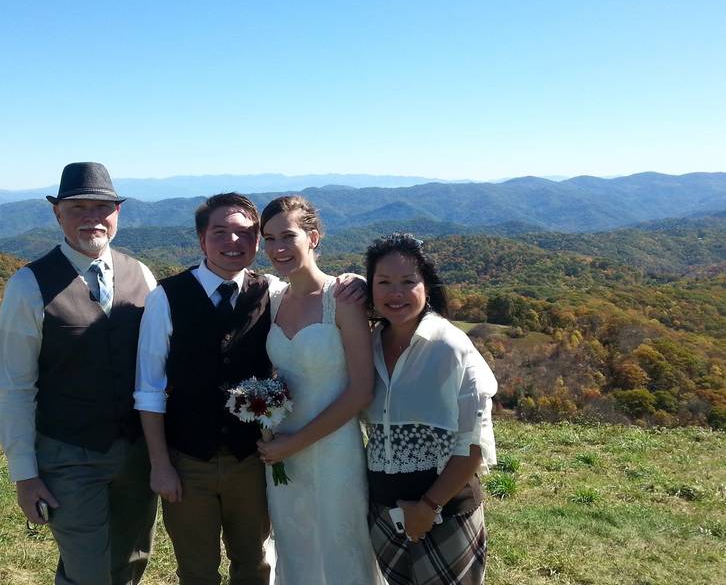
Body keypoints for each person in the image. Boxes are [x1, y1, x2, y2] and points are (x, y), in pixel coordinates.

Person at [134, 192, 365, 585]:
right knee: (196, 569)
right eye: (220, 232)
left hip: (253, 460)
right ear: (201, 239)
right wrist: (160, 465)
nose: (233, 242)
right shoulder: (166, 297)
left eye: (244, 233)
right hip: (188, 461)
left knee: (256, 563)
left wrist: (354, 280)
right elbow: (149, 387)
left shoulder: (269, 291)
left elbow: (316, 296)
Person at [0, 162, 158, 585]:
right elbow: (13, 386)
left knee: (132, 560)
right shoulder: (28, 285)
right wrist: (25, 475)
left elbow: (157, 367)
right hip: (68, 454)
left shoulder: (141, 275)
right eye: (78, 207)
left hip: (137, 455)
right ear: (57, 213)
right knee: (87, 571)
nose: (91, 217)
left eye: (102, 207)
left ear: (117, 214)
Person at [255, 195, 383, 584]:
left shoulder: (341, 299)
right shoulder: (273, 298)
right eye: (269, 238)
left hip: (333, 450)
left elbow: (361, 390)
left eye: (288, 236)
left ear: (313, 237)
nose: (277, 248)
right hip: (281, 453)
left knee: (341, 546)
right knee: (295, 544)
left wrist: (294, 443)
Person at [362, 233, 497, 585]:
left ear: (426, 286)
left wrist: (428, 507)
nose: (396, 293)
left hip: (446, 510)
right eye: (384, 282)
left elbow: (472, 444)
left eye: (408, 282)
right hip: (383, 511)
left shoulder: (450, 347)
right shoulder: (368, 345)